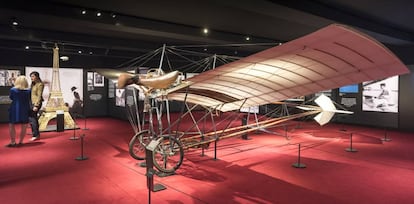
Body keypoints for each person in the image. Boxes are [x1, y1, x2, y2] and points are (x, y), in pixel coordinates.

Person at [7, 76, 31, 147]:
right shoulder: (29, 91)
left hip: (15, 108)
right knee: (24, 125)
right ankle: (21, 141)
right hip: (25, 108)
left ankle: (13, 142)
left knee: (11, 125)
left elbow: (11, 97)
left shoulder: (13, 90)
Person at [29, 71, 44, 141]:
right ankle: (36, 133)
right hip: (31, 103)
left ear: (37, 77)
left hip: (36, 103)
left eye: (33, 76)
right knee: (33, 119)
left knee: (32, 119)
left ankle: (35, 134)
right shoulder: (32, 84)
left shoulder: (40, 84)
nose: (31, 78)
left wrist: (36, 105)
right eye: (31, 76)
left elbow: (39, 96)